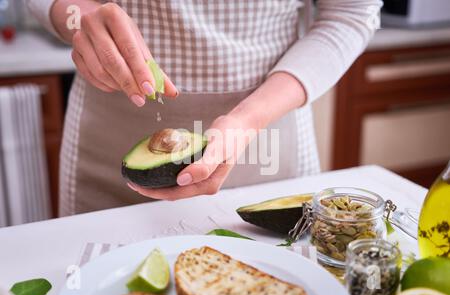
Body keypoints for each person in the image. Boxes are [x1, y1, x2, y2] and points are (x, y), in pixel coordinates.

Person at [27, 0, 382, 216]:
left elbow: (351, 14)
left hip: (265, 140)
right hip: (110, 139)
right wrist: (80, 20)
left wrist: (246, 119)